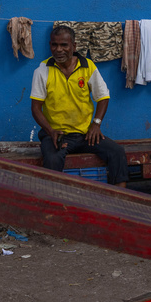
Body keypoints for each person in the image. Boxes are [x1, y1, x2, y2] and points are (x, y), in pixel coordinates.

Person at [30, 25, 129, 186]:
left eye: (64, 45)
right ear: (50, 46)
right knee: (52, 160)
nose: (58, 50)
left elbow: (103, 96)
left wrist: (96, 124)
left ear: (74, 46)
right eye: (54, 45)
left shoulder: (87, 66)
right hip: (57, 135)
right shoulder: (42, 71)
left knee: (117, 152)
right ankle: (55, 204)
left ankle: (120, 200)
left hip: (85, 135)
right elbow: (35, 108)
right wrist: (51, 131)